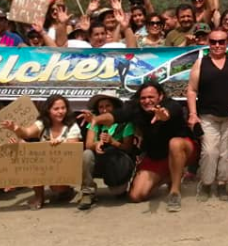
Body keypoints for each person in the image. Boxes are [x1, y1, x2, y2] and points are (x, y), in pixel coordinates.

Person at [80, 82, 198, 212]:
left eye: (151, 97)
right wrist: (96, 119)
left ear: (160, 96)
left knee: (175, 143)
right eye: (143, 98)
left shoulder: (171, 105)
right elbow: (114, 116)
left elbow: (168, 113)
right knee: (135, 196)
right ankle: (168, 175)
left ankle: (175, 191)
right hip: (156, 156)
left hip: (184, 151)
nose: (147, 101)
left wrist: (163, 116)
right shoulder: (134, 108)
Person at [187, 29, 228, 201]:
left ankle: (222, 184)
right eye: (213, 41)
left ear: (227, 42)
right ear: (208, 43)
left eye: (221, 41)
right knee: (209, 151)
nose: (217, 45)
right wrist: (192, 114)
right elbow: (192, 90)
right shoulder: (201, 63)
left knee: (225, 153)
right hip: (208, 116)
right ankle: (206, 183)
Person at [1, 95, 82, 209]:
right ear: (48, 111)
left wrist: (59, 146)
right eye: (56, 109)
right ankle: (39, 196)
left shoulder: (72, 127)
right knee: (31, 155)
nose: (60, 112)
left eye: (63, 108)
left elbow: (73, 152)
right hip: (43, 164)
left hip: (63, 166)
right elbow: (27, 133)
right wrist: (16, 128)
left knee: (57, 188)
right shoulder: (42, 123)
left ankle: (67, 190)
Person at [79, 92, 135, 210]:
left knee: (117, 192)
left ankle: (119, 183)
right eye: (101, 107)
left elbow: (128, 148)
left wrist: (113, 142)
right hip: (99, 159)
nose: (104, 110)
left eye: (108, 106)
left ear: (115, 107)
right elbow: (88, 144)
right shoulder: (95, 123)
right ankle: (87, 192)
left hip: (117, 162)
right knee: (87, 154)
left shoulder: (125, 124)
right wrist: (97, 144)